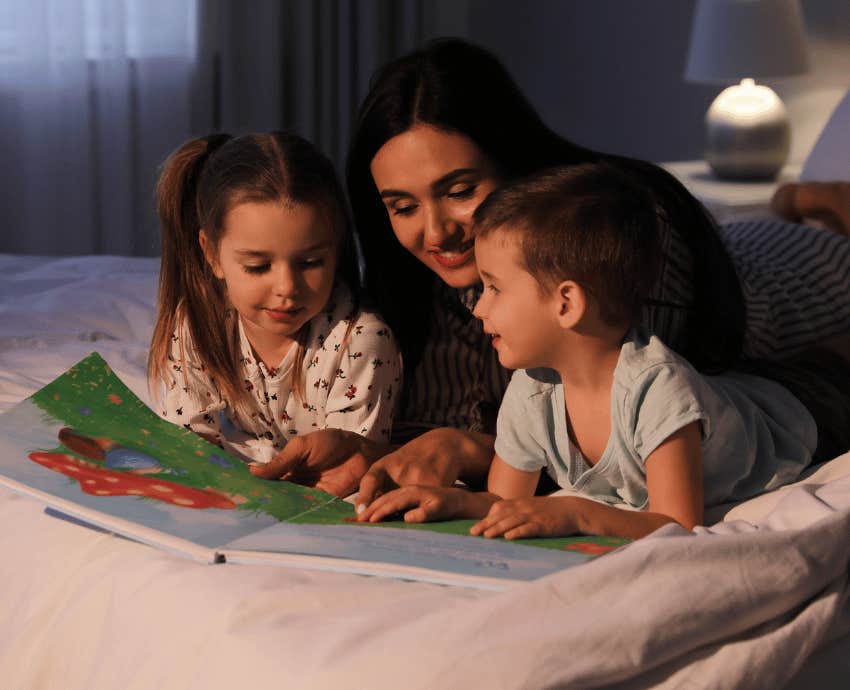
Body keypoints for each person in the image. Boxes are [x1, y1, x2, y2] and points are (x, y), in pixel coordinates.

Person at [252, 38, 850, 502]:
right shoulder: (428, 278)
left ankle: (806, 203)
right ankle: (803, 202)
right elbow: (461, 419)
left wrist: (467, 449)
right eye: (403, 207)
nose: (435, 234)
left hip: (803, 279)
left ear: (517, 163)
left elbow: (621, 449)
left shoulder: (622, 234)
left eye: (460, 190)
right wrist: (368, 449)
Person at [357, 164, 819, 539]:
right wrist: (454, 501)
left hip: (795, 409)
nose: (479, 308)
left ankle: (822, 202)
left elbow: (678, 524)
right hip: (728, 391)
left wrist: (579, 514)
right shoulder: (533, 387)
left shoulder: (658, 389)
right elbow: (504, 500)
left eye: (494, 287)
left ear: (567, 303)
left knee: (833, 365)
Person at [148, 132, 401, 478]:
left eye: (311, 262)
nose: (286, 288)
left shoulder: (361, 343)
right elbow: (189, 444)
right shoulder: (197, 322)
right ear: (211, 254)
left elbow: (347, 472)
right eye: (257, 267)